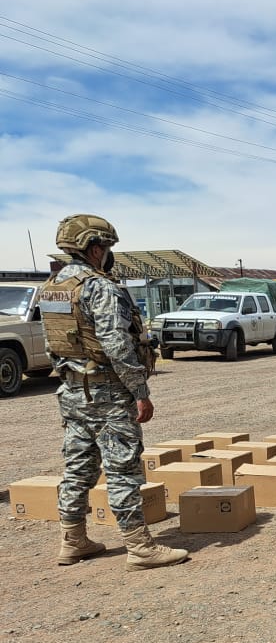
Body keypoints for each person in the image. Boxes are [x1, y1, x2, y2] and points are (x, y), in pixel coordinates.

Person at [40, 214, 187, 571]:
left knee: (77, 467)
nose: (109, 255)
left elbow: (53, 344)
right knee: (122, 468)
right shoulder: (99, 286)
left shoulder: (54, 286)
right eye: (106, 247)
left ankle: (73, 541)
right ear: (94, 248)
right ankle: (140, 547)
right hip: (108, 391)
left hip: (72, 391)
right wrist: (140, 390)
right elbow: (116, 343)